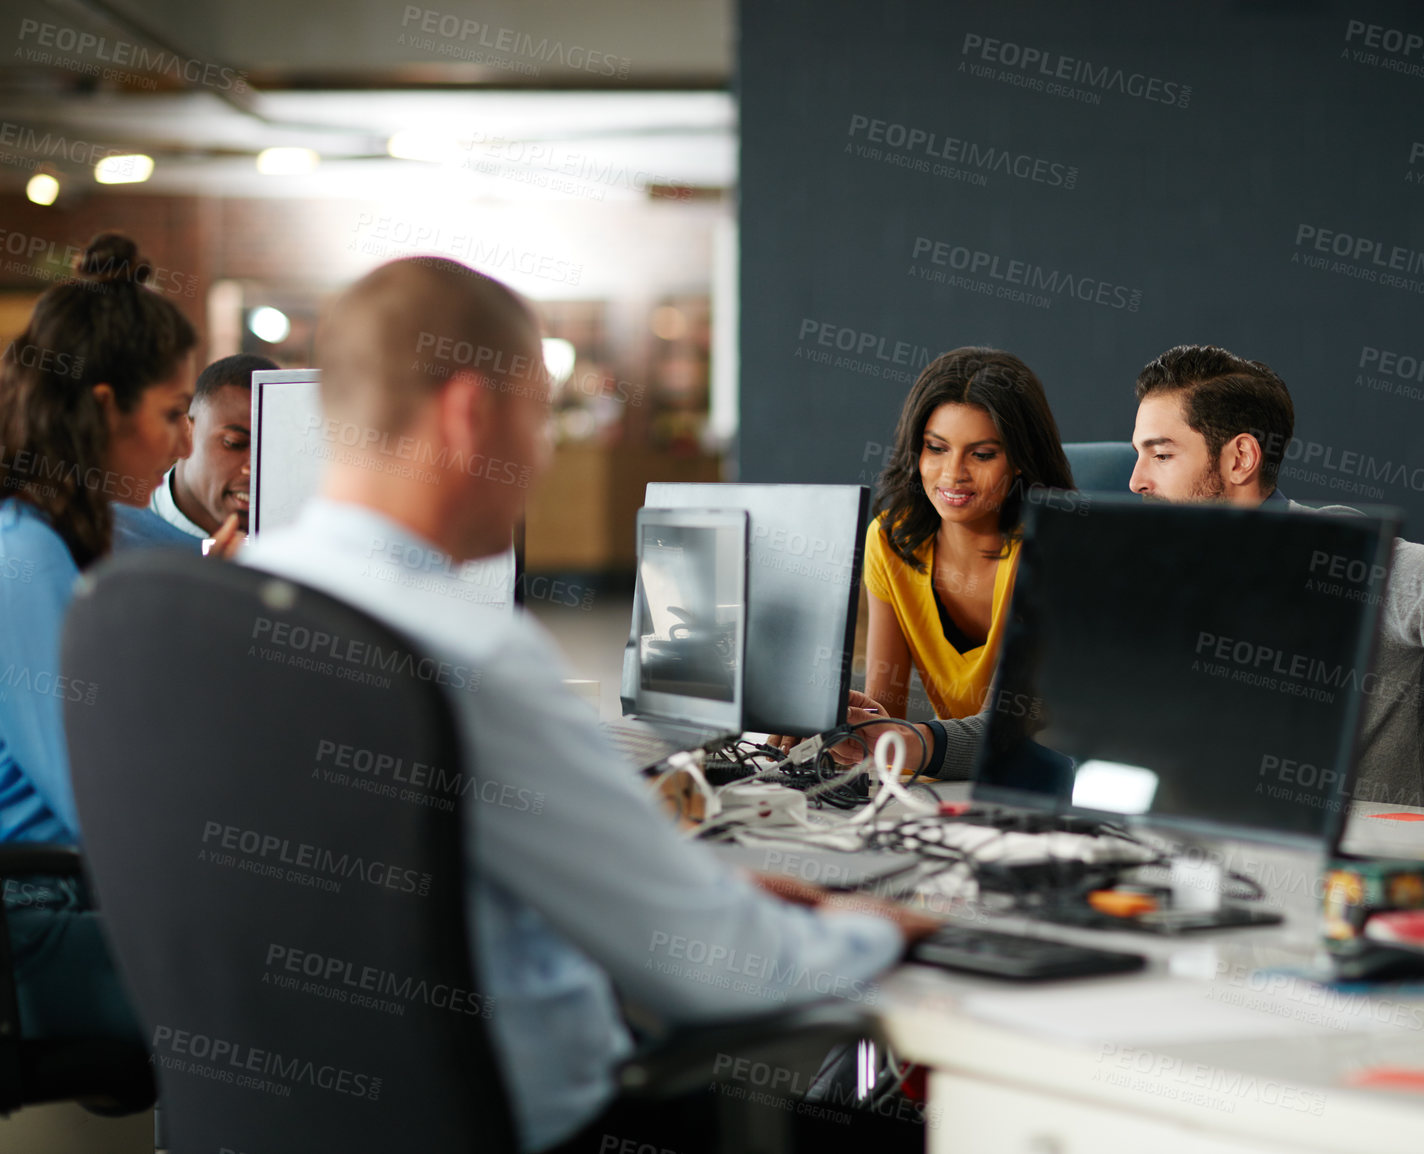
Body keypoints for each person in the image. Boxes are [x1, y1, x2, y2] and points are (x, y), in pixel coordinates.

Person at [241, 256, 933, 1153]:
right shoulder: (472, 657)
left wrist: (670, 880)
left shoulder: (219, 606)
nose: (545, 453)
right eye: (540, 417)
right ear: (468, 415)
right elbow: (712, 967)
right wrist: (866, 932)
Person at [851, 345, 1424, 815]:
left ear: (1240, 458)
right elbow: (1035, 725)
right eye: (1140, 454)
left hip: (1351, 866)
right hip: (1203, 855)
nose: (1137, 480)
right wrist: (923, 740)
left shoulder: (1338, 556)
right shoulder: (1151, 578)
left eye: (1161, 455)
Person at [0, 232, 236, 1042]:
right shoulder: (22, 555)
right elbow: (94, 795)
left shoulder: (102, 526)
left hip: (91, 893)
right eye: (174, 415)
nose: (183, 445)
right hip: (36, 922)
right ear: (104, 405)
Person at [862, 348, 1073, 723]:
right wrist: (841, 727)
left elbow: (1008, 729)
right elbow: (883, 714)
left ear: (1021, 459)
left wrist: (920, 745)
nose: (952, 473)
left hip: (1045, 774)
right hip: (947, 773)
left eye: (982, 455)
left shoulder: (1049, 549)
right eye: (937, 448)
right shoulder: (889, 540)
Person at [151, 353, 277, 539]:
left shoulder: (296, 546)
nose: (255, 468)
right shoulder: (116, 537)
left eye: (272, 449)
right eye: (234, 443)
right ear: (184, 433)